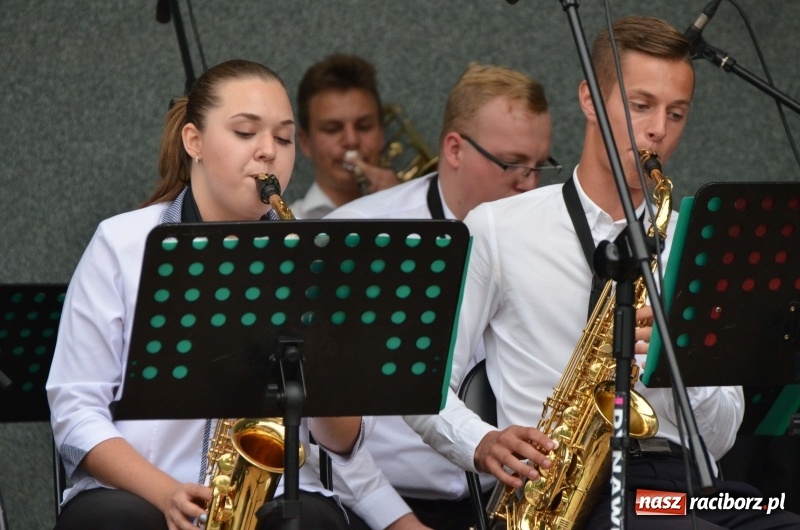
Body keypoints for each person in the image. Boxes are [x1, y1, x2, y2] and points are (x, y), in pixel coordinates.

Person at [404, 15, 800, 529]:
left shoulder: (697, 246)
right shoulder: (498, 228)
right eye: (641, 105)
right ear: (590, 100)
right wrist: (480, 442)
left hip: (685, 492)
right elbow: (421, 387)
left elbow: (721, 437)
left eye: (676, 113)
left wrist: (679, 357)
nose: (659, 129)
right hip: (570, 496)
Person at [46, 59, 372, 530]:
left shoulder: (314, 258)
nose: (268, 152)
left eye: (283, 139)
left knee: (316, 522)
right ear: (193, 141)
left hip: (271, 496)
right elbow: (75, 411)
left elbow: (342, 443)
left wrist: (325, 349)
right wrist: (165, 493)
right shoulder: (121, 244)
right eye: (245, 132)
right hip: (138, 493)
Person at [318, 62, 559, 530]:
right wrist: (397, 520)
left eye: (539, 166)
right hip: (375, 505)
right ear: (454, 149)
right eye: (511, 164)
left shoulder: (546, 231)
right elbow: (320, 426)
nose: (529, 184)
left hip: (508, 501)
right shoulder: (358, 237)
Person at [290, 53, 399, 219]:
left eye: (364, 127)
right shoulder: (288, 225)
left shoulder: (418, 214)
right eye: (332, 129)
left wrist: (401, 206)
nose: (351, 140)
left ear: (382, 134)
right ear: (305, 143)